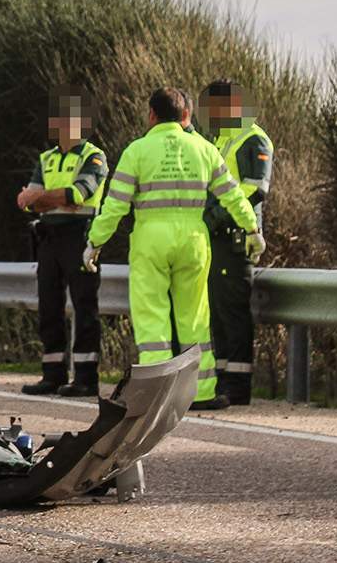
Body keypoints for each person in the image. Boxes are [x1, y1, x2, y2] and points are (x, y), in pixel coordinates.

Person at [84, 87, 261, 410]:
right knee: (194, 318)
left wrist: (95, 242)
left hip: (151, 239)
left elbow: (115, 206)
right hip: (194, 239)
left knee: (153, 320)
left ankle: (155, 397)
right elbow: (233, 195)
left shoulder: (137, 151)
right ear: (185, 116)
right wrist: (252, 228)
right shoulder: (204, 148)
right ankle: (203, 392)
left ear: (151, 115)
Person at [16, 90, 108, 396]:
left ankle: (85, 377)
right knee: (49, 307)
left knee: (84, 307)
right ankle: (52, 374)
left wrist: (41, 198)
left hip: (79, 236)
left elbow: (77, 195)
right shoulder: (47, 158)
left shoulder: (93, 156)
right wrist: (43, 200)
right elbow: (25, 202)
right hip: (49, 239)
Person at [200, 79, 273, 404]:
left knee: (232, 312)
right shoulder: (220, 142)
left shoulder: (253, 138)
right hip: (215, 238)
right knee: (217, 312)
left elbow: (254, 188)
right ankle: (223, 383)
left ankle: (237, 386)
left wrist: (213, 216)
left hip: (235, 237)